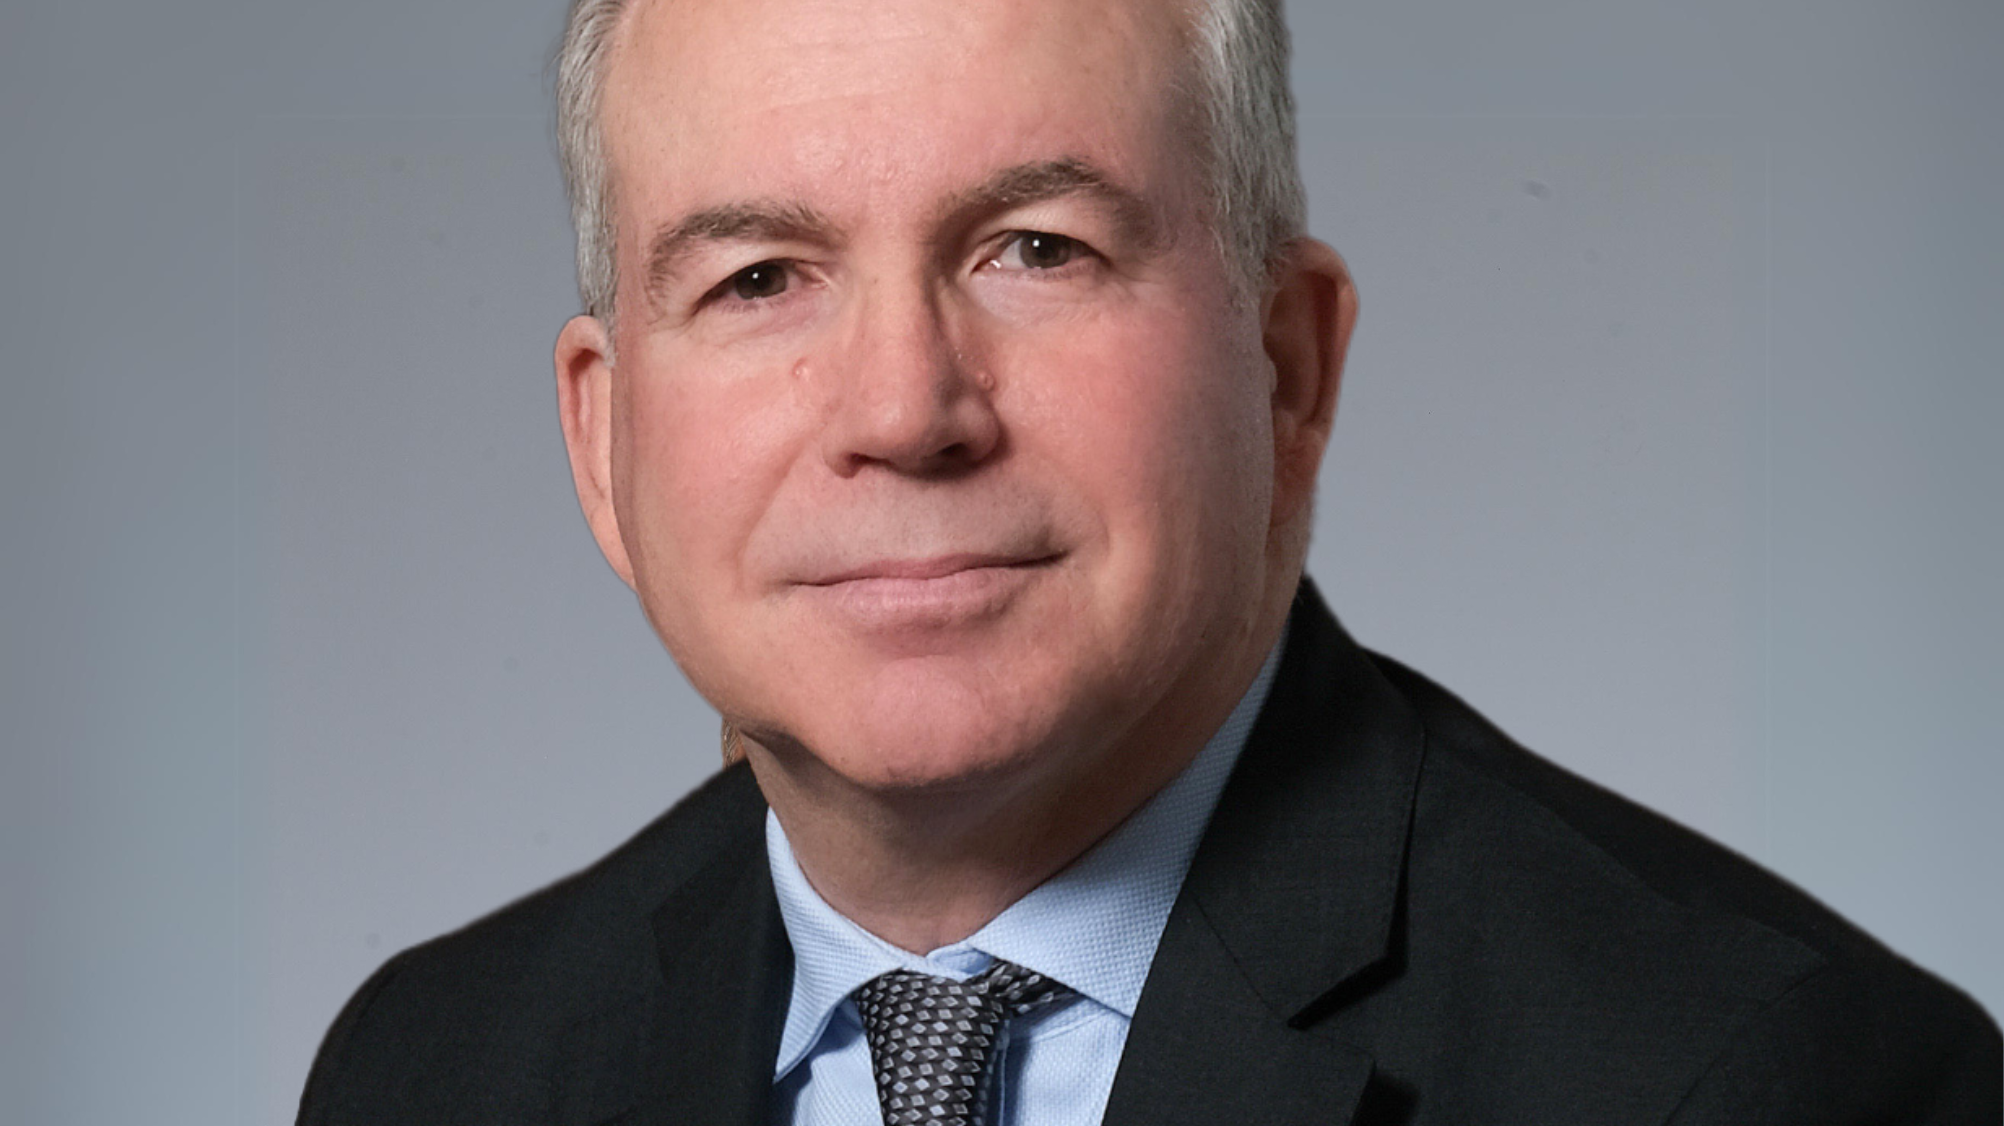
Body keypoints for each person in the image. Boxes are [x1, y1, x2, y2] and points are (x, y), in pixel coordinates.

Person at [298, 0, 2000, 1121]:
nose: (902, 408)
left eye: (1036, 248)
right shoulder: (435, 1072)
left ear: (1286, 366)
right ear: (604, 442)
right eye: (759, 278)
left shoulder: (1770, 1083)